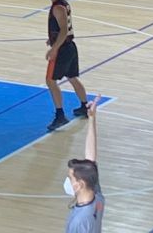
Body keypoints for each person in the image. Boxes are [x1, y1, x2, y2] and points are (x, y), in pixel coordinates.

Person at [45, 0, 90, 132]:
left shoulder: (58, 8)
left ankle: (60, 115)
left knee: (50, 81)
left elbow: (64, 30)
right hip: (69, 46)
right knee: (72, 77)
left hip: (63, 49)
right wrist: (52, 38)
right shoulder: (63, 4)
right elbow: (63, 29)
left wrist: (54, 48)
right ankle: (85, 106)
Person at [64, 96, 105, 233]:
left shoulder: (80, 222)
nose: (68, 182)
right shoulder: (97, 198)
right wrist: (92, 118)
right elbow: (90, 159)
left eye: (70, 178)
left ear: (80, 184)